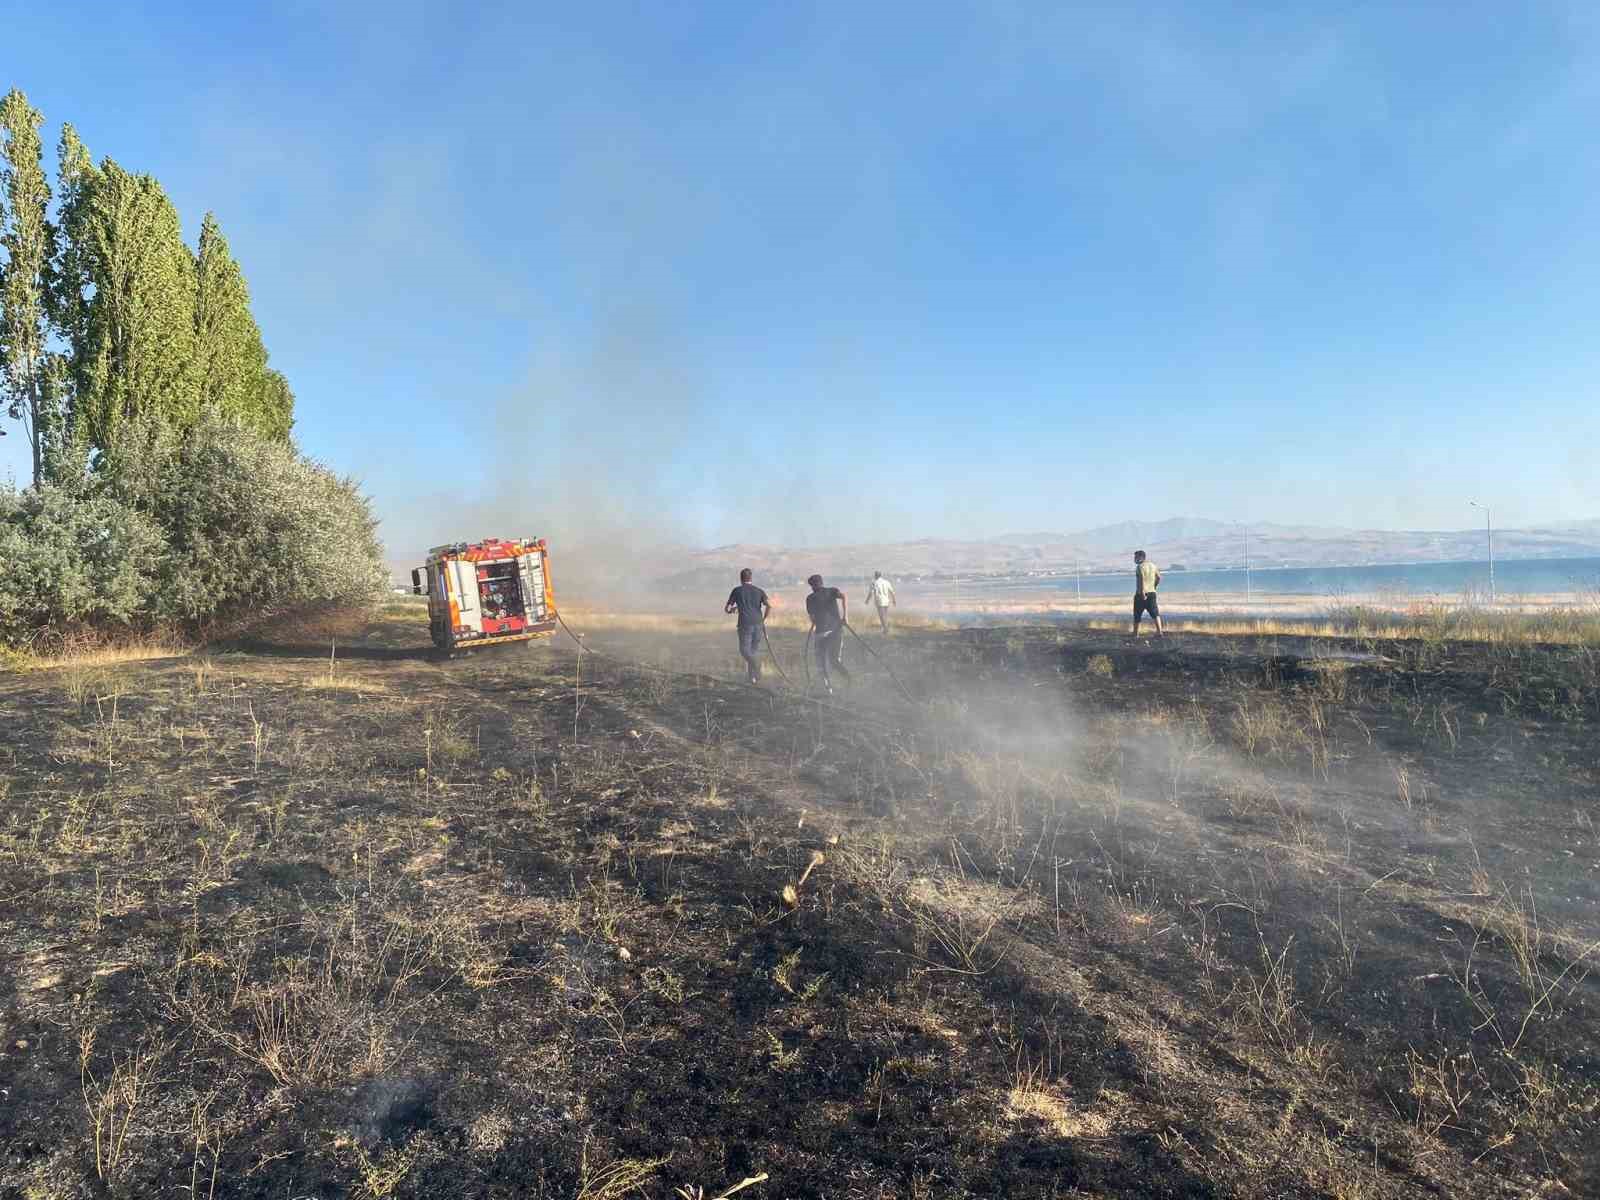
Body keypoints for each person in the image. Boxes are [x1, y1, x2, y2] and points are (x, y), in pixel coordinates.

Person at [724, 568, 771, 683]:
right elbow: (769, 606)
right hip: (758, 624)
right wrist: (763, 619)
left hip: (745, 624)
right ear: (751, 578)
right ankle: (752, 678)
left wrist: (733, 610)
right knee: (753, 651)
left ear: (741, 578)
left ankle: (757, 667)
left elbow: (727, 608)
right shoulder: (759, 591)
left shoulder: (737, 590)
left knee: (745, 650)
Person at [805, 574, 849, 693]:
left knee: (821, 662)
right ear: (822, 582)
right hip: (836, 631)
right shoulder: (832, 591)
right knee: (834, 660)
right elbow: (844, 596)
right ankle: (849, 679)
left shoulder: (810, 598)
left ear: (812, 586)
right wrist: (845, 616)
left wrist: (817, 621)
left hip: (821, 633)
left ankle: (827, 687)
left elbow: (812, 618)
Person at [1132, 550, 1164, 638]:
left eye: (1136, 557)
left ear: (1141, 557)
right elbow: (1159, 577)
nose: (1134, 559)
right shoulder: (1153, 565)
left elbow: (1141, 579)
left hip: (1141, 594)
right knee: (1155, 613)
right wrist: (1154, 586)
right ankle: (1159, 632)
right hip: (1152, 592)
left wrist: (1142, 592)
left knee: (1137, 614)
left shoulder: (1140, 567)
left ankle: (1136, 634)